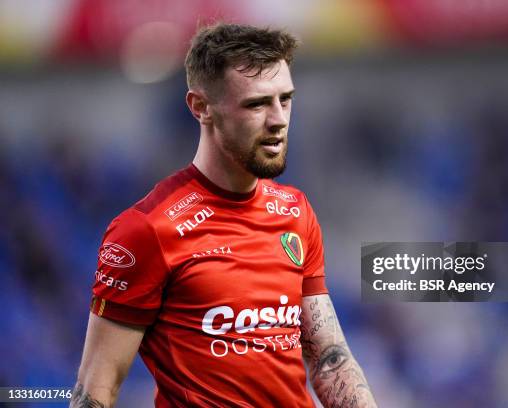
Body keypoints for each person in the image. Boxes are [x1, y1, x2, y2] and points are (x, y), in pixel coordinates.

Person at [70, 23, 377, 408]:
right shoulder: (146, 230)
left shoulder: (295, 212)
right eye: (257, 104)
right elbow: (96, 387)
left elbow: (330, 359)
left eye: (286, 99)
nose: (278, 119)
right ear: (201, 108)